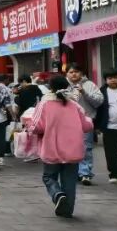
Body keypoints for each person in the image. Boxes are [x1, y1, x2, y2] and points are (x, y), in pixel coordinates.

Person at [33, 75, 94, 217]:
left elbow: (37, 127)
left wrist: (29, 127)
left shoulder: (44, 104)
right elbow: (87, 126)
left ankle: (58, 194)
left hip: (52, 149)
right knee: (70, 181)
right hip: (73, 151)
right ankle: (67, 210)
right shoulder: (75, 105)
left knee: (49, 177)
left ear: (50, 87)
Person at [64, 63, 104, 185]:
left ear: (81, 73)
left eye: (76, 72)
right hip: (66, 122)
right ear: (67, 74)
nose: (74, 74)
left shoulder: (89, 85)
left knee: (86, 147)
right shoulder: (63, 85)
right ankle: (72, 172)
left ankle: (85, 173)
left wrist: (85, 93)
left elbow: (99, 101)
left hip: (85, 121)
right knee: (68, 147)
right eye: (71, 72)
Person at [95, 70, 117, 184]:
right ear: (106, 80)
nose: (113, 80)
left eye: (115, 77)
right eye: (110, 78)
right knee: (111, 154)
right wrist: (97, 126)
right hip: (109, 128)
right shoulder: (101, 91)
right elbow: (98, 110)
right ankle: (115, 174)